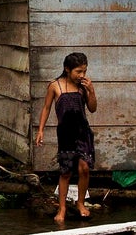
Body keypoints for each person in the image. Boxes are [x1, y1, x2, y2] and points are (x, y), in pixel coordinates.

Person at [34, 52, 98, 223]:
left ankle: (81, 203)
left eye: (84, 71)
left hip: (82, 132)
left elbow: (92, 108)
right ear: (67, 69)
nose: (82, 75)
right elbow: (46, 108)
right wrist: (40, 130)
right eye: (78, 71)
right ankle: (62, 208)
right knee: (66, 172)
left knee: (84, 168)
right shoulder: (55, 86)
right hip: (65, 133)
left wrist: (91, 90)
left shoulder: (83, 87)